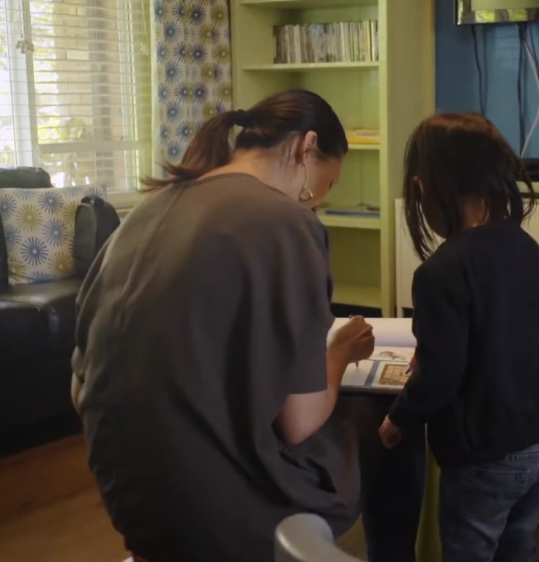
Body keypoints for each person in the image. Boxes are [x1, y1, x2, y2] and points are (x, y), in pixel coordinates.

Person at [70, 90, 378, 561]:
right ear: (305, 147)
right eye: (324, 185)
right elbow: (298, 421)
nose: (314, 203)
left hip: (127, 496)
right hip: (218, 510)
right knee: (367, 418)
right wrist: (340, 353)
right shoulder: (285, 221)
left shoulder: (147, 210)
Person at [377, 112, 539, 562]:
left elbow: (439, 375)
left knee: (471, 548)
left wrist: (400, 419)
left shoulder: (439, 272)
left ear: (423, 188)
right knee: (517, 543)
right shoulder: (526, 246)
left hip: (489, 454)